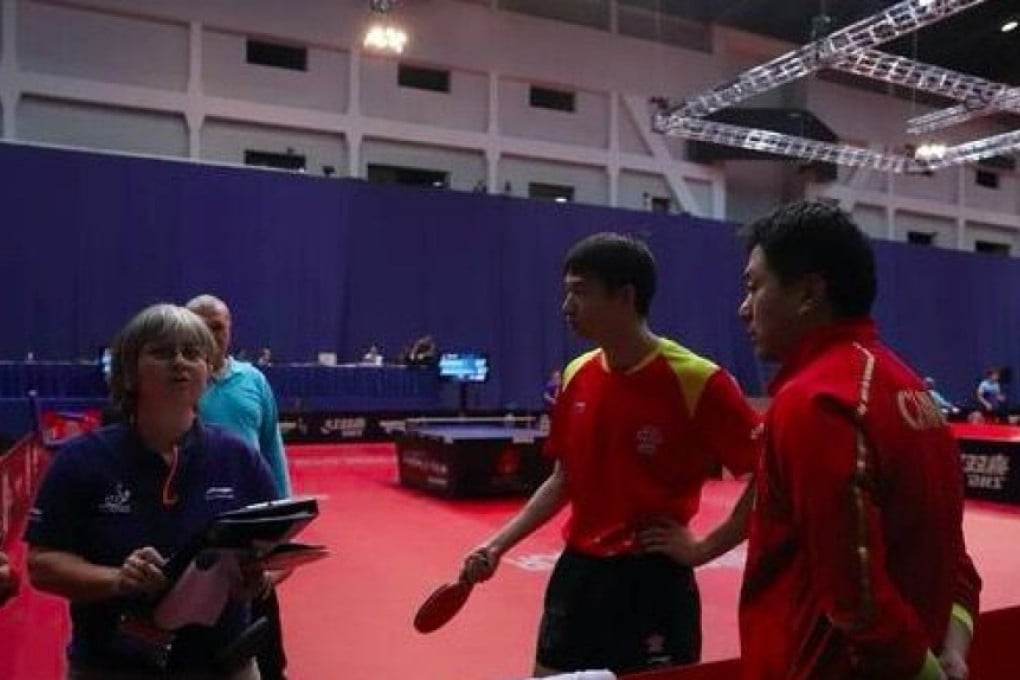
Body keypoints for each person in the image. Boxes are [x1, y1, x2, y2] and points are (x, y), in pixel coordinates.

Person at [677, 202, 982, 679]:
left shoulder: (816, 402)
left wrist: (924, 674)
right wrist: (952, 649)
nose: (743, 308)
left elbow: (853, 597)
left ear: (809, 293)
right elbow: (954, 556)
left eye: (754, 287)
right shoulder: (909, 389)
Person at [460, 232, 761, 676]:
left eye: (580, 292)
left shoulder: (700, 381)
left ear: (624, 296)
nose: (566, 308)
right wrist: (497, 544)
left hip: (653, 581)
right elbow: (565, 478)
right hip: (578, 576)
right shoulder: (577, 374)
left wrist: (703, 549)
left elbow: (774, 474)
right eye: (566, 293)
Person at [24, 304, 279, 679]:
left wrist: (258, 578)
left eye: (193, 353)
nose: (180, 362)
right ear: (129, 372)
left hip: (224, 663)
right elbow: (41, 566)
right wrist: (117, 579)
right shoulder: (81, 461)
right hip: (111, 666)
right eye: (162, 352)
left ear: (208, 371)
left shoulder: (239, 457)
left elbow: (274, 551)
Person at [186, 294, 291, 680]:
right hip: (193, 539)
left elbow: (272, 452)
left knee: (268, 662)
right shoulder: (178, 384)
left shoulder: (253, 381)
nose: (210, 335)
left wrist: (284, 526)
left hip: (250, 541)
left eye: (218, 326)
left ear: (230, 330)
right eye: (200, 325)